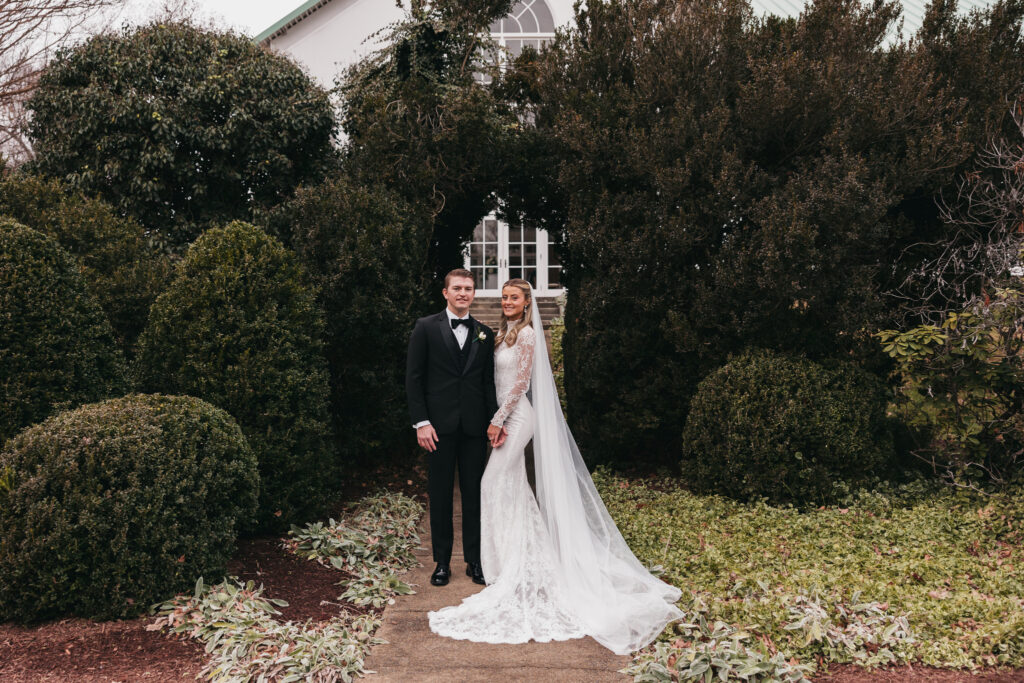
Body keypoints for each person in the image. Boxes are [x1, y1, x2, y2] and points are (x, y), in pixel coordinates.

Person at [427, 279, 683, 655]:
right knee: (508, 483)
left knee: (490, 482)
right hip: (501, 417)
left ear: (527, 301)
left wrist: (498, 419)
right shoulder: (501, 332)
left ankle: (502, 561)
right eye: (504, 297)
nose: (507, 302)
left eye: (514, 297)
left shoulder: (528, 335)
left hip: (516, 418)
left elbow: (519, 385)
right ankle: (505, 558)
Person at [405, 268, 504, 587]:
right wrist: (421, 422)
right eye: (457, 288)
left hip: (475, 428)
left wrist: (495, 421)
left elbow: (488, 382)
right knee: (441, 494)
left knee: (476, 495)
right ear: (445, 293)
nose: (463, 293)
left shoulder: (485, 333)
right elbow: (414, 378)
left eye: (469, 288)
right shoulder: (425, 328)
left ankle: (475, 560)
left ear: (474, 294)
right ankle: (442, 562)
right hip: (437, 428)